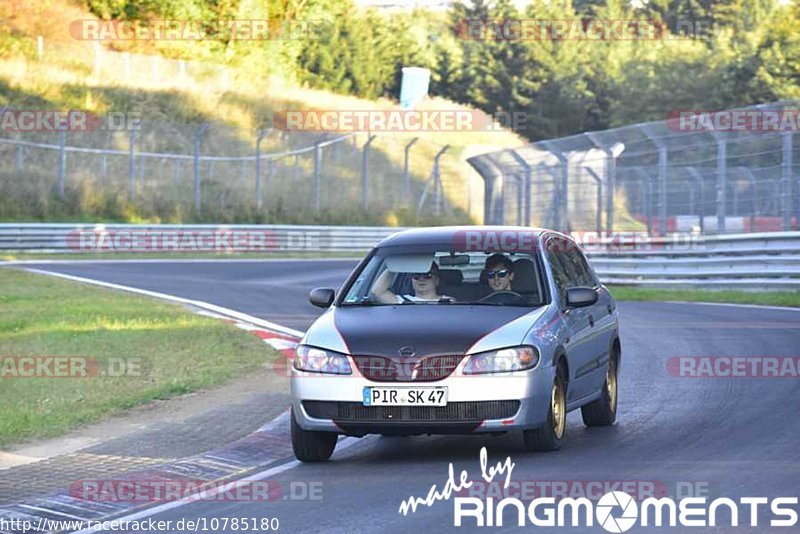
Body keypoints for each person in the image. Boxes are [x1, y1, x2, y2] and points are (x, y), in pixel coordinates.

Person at [372, 262, 449, 304]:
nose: (421, 279)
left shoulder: (448, 302)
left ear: (436, 280)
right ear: (411, 280)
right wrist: (394, 266)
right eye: (416, 275)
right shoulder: (402, 301)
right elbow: (378, 292)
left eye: (427, 275)